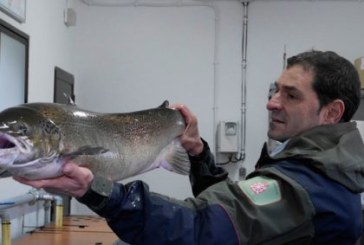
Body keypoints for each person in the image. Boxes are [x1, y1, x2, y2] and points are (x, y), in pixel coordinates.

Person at [15, 50, 364, 244]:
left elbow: (199, 229)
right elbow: (236, 214)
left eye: (290, 95)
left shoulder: (308, 184)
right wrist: (197, 153)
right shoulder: (309, 165)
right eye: (275, 90)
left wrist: (98, 191)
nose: (272, 103)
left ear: (332, 112)